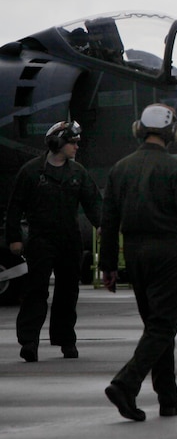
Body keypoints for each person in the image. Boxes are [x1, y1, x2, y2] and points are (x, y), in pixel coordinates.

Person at [100, 104, 177, 421]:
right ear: (172, 133)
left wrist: (108, 265)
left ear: (140, 129)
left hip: (134, 254)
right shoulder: (176, 169)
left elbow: (108, 221)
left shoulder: (120, 168)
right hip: (167, 253)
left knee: (156, 328)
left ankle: (168, 399)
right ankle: (125, 383)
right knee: (163, 326)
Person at [5, 120, 101, 363]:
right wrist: (14, 238)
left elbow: (93, 203)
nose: (76, 147)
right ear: (57, 143)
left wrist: (102, 226)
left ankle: (66, 340)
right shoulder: (31, 172)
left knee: (68, 292)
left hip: (69, 240)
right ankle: (29, 341)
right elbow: (14, 206)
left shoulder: (78, 172)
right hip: (40, 239)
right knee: (35, 290)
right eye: (72, 142)